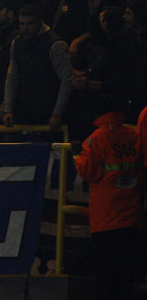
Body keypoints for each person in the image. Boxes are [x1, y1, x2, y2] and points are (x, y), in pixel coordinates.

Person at [77, 96, 143, 300]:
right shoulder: (135, 135)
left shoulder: (96, 138)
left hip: (105, 218)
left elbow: (87, 171)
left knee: (106, 280)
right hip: (132, 215)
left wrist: (76, 157)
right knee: (126, 280)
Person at [1, 6, 73, 130]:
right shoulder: (17, 42)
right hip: (26, 108)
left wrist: (57, 113)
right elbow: (12, 77)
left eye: (29, 24)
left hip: (48, 108)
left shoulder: (55, 44)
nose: (25, 28)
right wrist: (8, 109)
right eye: (22, 24)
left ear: (40, 21)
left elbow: (67, 80)